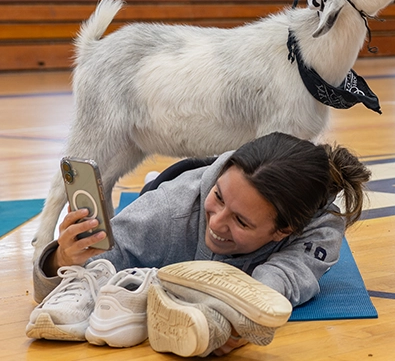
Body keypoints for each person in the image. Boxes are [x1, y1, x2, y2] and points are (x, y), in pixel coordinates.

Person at [29, 132, 370, 356]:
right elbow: (77, 276)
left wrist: (243, 314)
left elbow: (290, 273)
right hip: (173, 197)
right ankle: (162, 181)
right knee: (109, 256)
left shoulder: (321, 229)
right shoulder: (167, 212)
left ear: (284, 231)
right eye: (219, 197)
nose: (218, 222)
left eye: (241, 221)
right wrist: (61, 256)